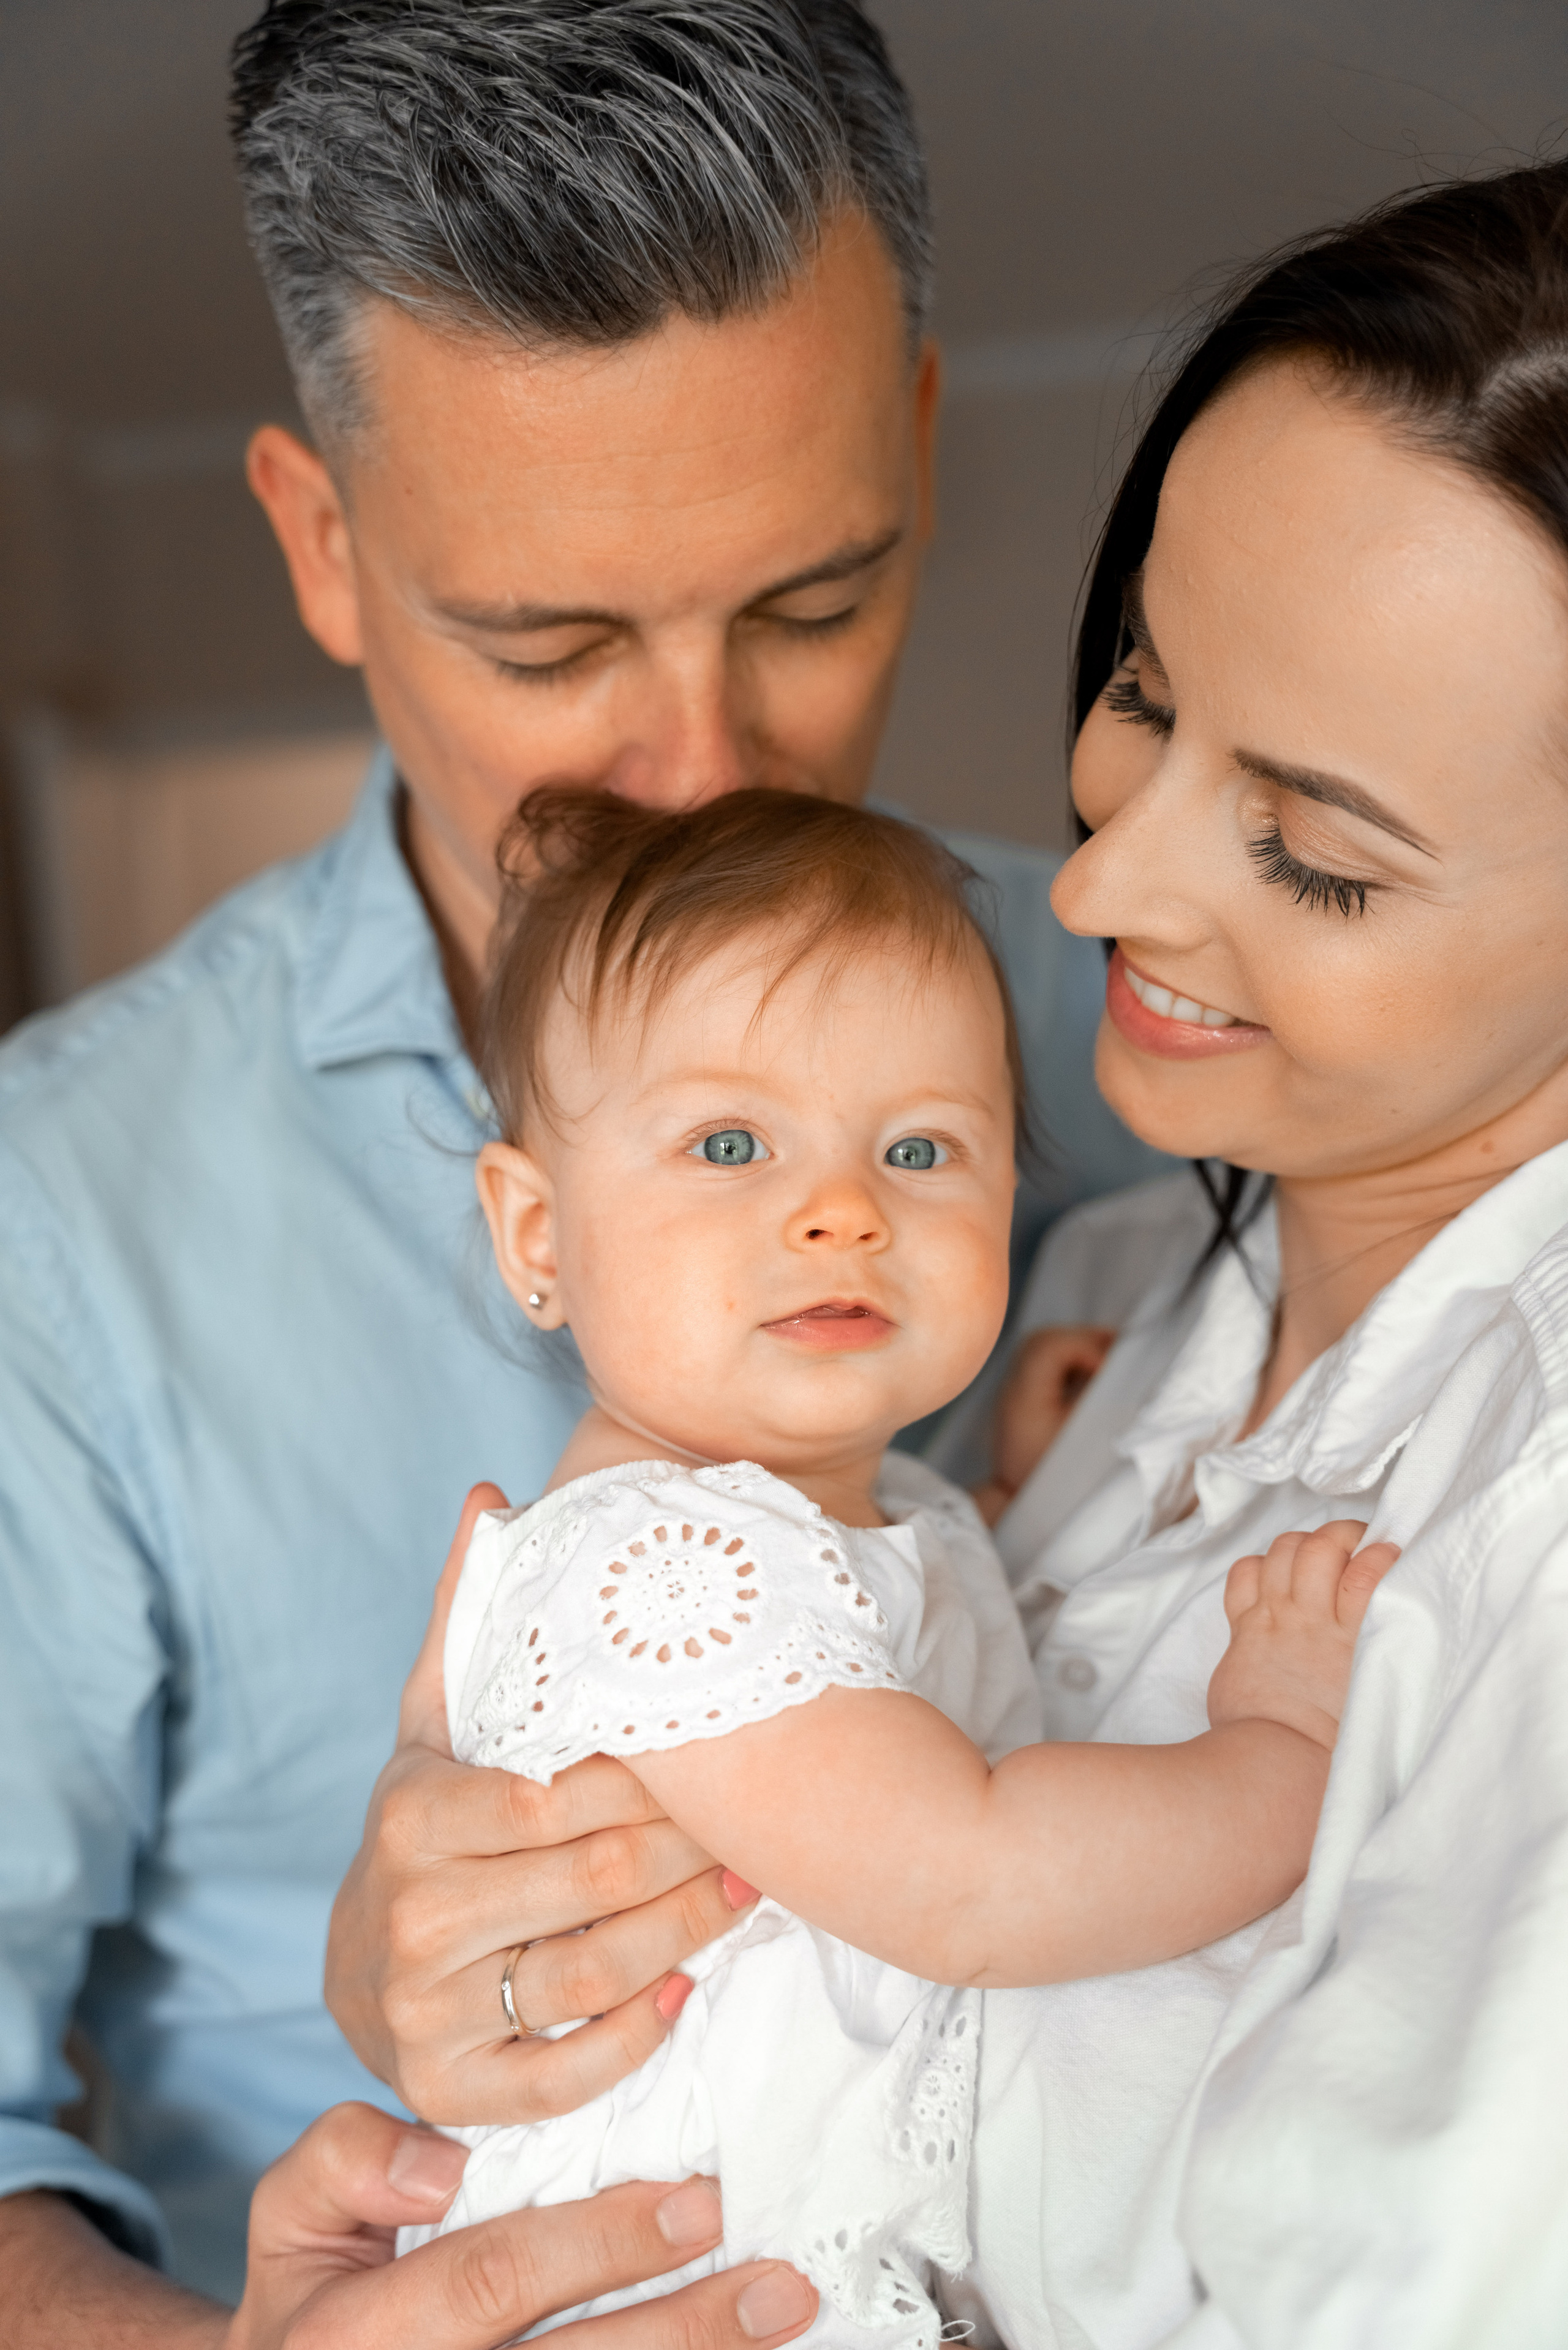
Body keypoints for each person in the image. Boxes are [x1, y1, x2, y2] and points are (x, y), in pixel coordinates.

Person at [0, 4, 1166, 2343]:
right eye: (550, 642)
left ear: (922, 452)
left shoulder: (1156, 1031)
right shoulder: (57, 1214)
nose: (704, 764)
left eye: (814, 604)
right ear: (325, 550)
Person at [336, 155, 1568, 2346]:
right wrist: (443, 1938)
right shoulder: (1088, 1303)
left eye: (1310, 849)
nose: (1090, 890)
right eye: (1145, 691)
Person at [392, 780, 1391, 2344]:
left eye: (920, 1148)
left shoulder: (862, 1513)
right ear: (535, 1236)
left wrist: (1009, 1501)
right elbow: (970, 1876)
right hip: (684, 2287)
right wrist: (1284, 1750)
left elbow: (879, 1675)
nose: (841, 1212)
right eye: (730, 1142)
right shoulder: (665, 1570)